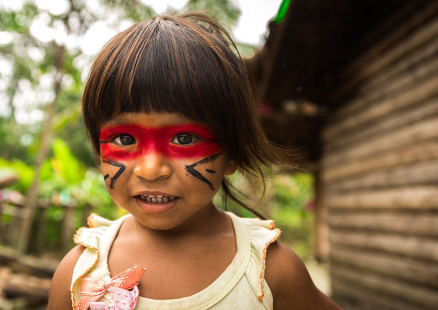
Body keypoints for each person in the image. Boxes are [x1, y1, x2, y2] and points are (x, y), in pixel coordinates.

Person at [48, 13, 342, 310]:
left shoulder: (271, 272)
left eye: (185, 139)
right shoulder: (77, 275)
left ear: (232, 152)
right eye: (125, 140)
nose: (150, 170)